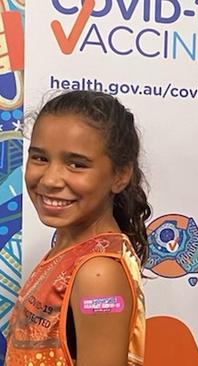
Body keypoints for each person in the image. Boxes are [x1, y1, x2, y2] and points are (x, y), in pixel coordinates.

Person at [5, 91, 150, 366]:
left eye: (76, 164)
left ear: (120, 176)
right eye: (39, 158)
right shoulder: (69, 247)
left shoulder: (98, 275)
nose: (49, 180)